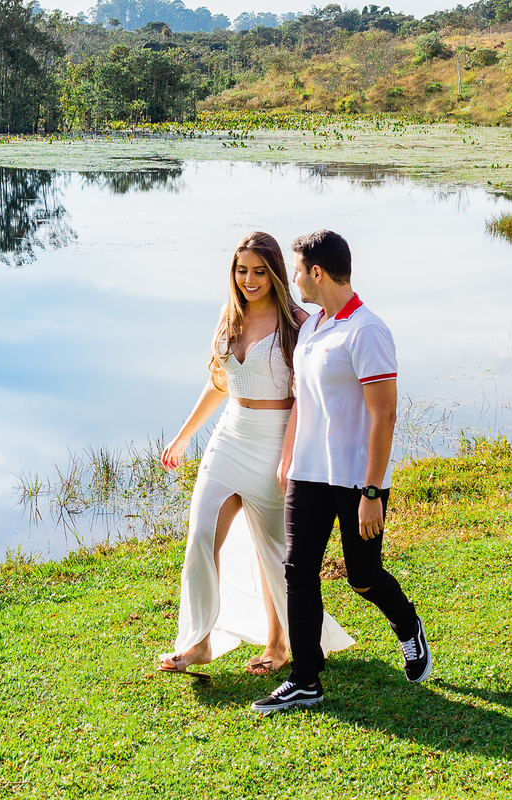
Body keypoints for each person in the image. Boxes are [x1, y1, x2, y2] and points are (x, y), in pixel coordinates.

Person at [251, 229, 432, 715]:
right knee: (298, 572)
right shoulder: (312, 327)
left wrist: (372, 492)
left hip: (355, 479)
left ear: (317, 272)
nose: (293, 279)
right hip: (308, 473)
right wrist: (288, 457)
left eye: (297, 271)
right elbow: (302, 400)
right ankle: (305, 679)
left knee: (363, 576)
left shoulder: (366, 331)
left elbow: (383, 415)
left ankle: (407, 623)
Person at [158, 231, 354, 675]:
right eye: (242, 271)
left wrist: (292, 455)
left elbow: (308, 395)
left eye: (259, 272)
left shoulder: (299, 324)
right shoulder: (229, 316)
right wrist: (185, 435)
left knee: (274, 549)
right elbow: (220, 382)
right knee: (201, 535)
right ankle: (198, 642)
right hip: (229, 438)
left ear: (276, 273)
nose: (249, 280)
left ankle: (279, 643)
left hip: (274, 443)